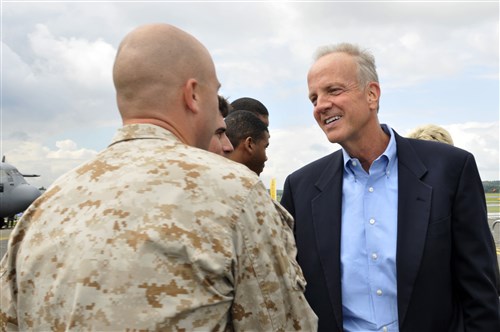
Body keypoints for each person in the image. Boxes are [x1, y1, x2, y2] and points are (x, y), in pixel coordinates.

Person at [0, 24, 317, 331]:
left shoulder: (42, 210)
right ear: (192, 95)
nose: (222, 119)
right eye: (214, 94)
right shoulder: (236, 194)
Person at [280, 42, 500, 331]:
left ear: (372, 94)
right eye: (313, 98)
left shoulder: (450, 169)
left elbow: (481, 292)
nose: (321, 105)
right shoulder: (302, 188)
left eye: (333, 91)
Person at [225, 110, 270, 176]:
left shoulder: (209, 174)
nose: (266, 158)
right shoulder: (251, 184)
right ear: (249, 144)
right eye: (265, 147)